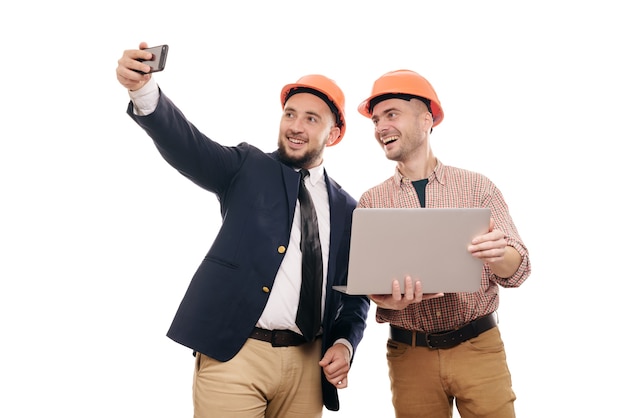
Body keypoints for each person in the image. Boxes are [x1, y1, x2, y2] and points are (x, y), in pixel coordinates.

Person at [115, 42, 370, 418]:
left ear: (334, 135)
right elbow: (189, 146)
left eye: (312, 119)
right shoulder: (247, 167)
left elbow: (355, 294)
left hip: (307, 366)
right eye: (289, 114)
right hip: (236, 355)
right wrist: (144, 91)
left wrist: (345, 344)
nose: (296, 127)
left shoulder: (349, 209)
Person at [356, 69, 531, 418]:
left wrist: (498, 256)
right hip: (410, 355)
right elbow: (367, 284)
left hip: (479, 348)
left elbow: (520, 268)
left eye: (391, 115)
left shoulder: (477, 188)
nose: (380, 128)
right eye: (376, 120)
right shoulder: (371, 202)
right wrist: (384, 298)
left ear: (426, 120)